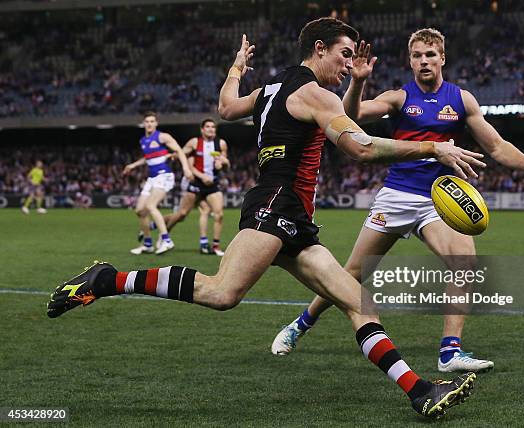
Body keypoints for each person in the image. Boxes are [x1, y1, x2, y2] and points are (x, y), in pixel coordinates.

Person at [47, 19, 486, 418]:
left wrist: (237, 68)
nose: (350, 64)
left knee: (358, 302)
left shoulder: (272, 90)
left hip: (292, 215)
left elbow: (226, 108)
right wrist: (432, 148)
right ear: (319, 49)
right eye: (345, 54)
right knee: (222, 293)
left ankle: (420, 390)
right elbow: (361, 147)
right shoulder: (316, 93)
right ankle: (107, 280)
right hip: (275, 204)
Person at [271, 28, 524, 373]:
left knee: (465, 266)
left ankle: (449, 353)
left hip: (441, 200)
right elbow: (349, 117)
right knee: (353, 272)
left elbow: (495, 146)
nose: (424, 61)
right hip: (397, 196)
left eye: (430, 55)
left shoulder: (462, 99)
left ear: (442, 58)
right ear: (410, 61)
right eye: (417, 56)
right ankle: (301, 324)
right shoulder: (399, 98)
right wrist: (358, 82)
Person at [146, 118, 230, 255]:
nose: (211, 129)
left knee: (219, 214)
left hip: (212, 184)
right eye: (208, 127)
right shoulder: (195, 142)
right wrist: (172, 156)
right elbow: (181, 153)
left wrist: (224, 163)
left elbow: (226, 164)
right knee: (182, 214)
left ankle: (215, 246)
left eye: (213, 127)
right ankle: (164, 235)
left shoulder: (221, 144)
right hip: (196, 183)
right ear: (202, 129)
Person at [123, 111, 193, 255]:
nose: (149, 124)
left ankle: (166, 240)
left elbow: (179, 151)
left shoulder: (162, 136)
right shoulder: (143, 140)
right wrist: (133, 165)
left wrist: (186, 168)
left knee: (150, 206)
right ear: (144, 124)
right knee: (140, 211)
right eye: (147, 121)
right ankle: (148, 244)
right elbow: (148, 158)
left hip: (164, 175)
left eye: (152, 121)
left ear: (156, 123)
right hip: (152, 178)